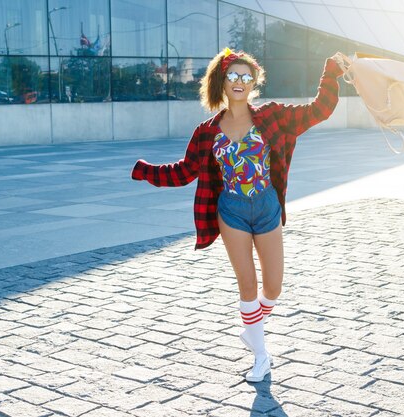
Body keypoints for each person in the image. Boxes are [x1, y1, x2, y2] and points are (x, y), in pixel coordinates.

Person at [131, 47, 344, 382]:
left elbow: (320, 109)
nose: (240, 81)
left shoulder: (272, 116)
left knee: (273, 286)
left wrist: (330, 71)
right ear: (222, 81)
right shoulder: (207, 131)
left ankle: (252, 324)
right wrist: (145, 170)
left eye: (247, 76)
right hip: (231, 211)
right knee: (247, 284)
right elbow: (185, 171)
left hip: (267, 205)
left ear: (254, 82)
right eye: (233, 75)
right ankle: (261, 355)